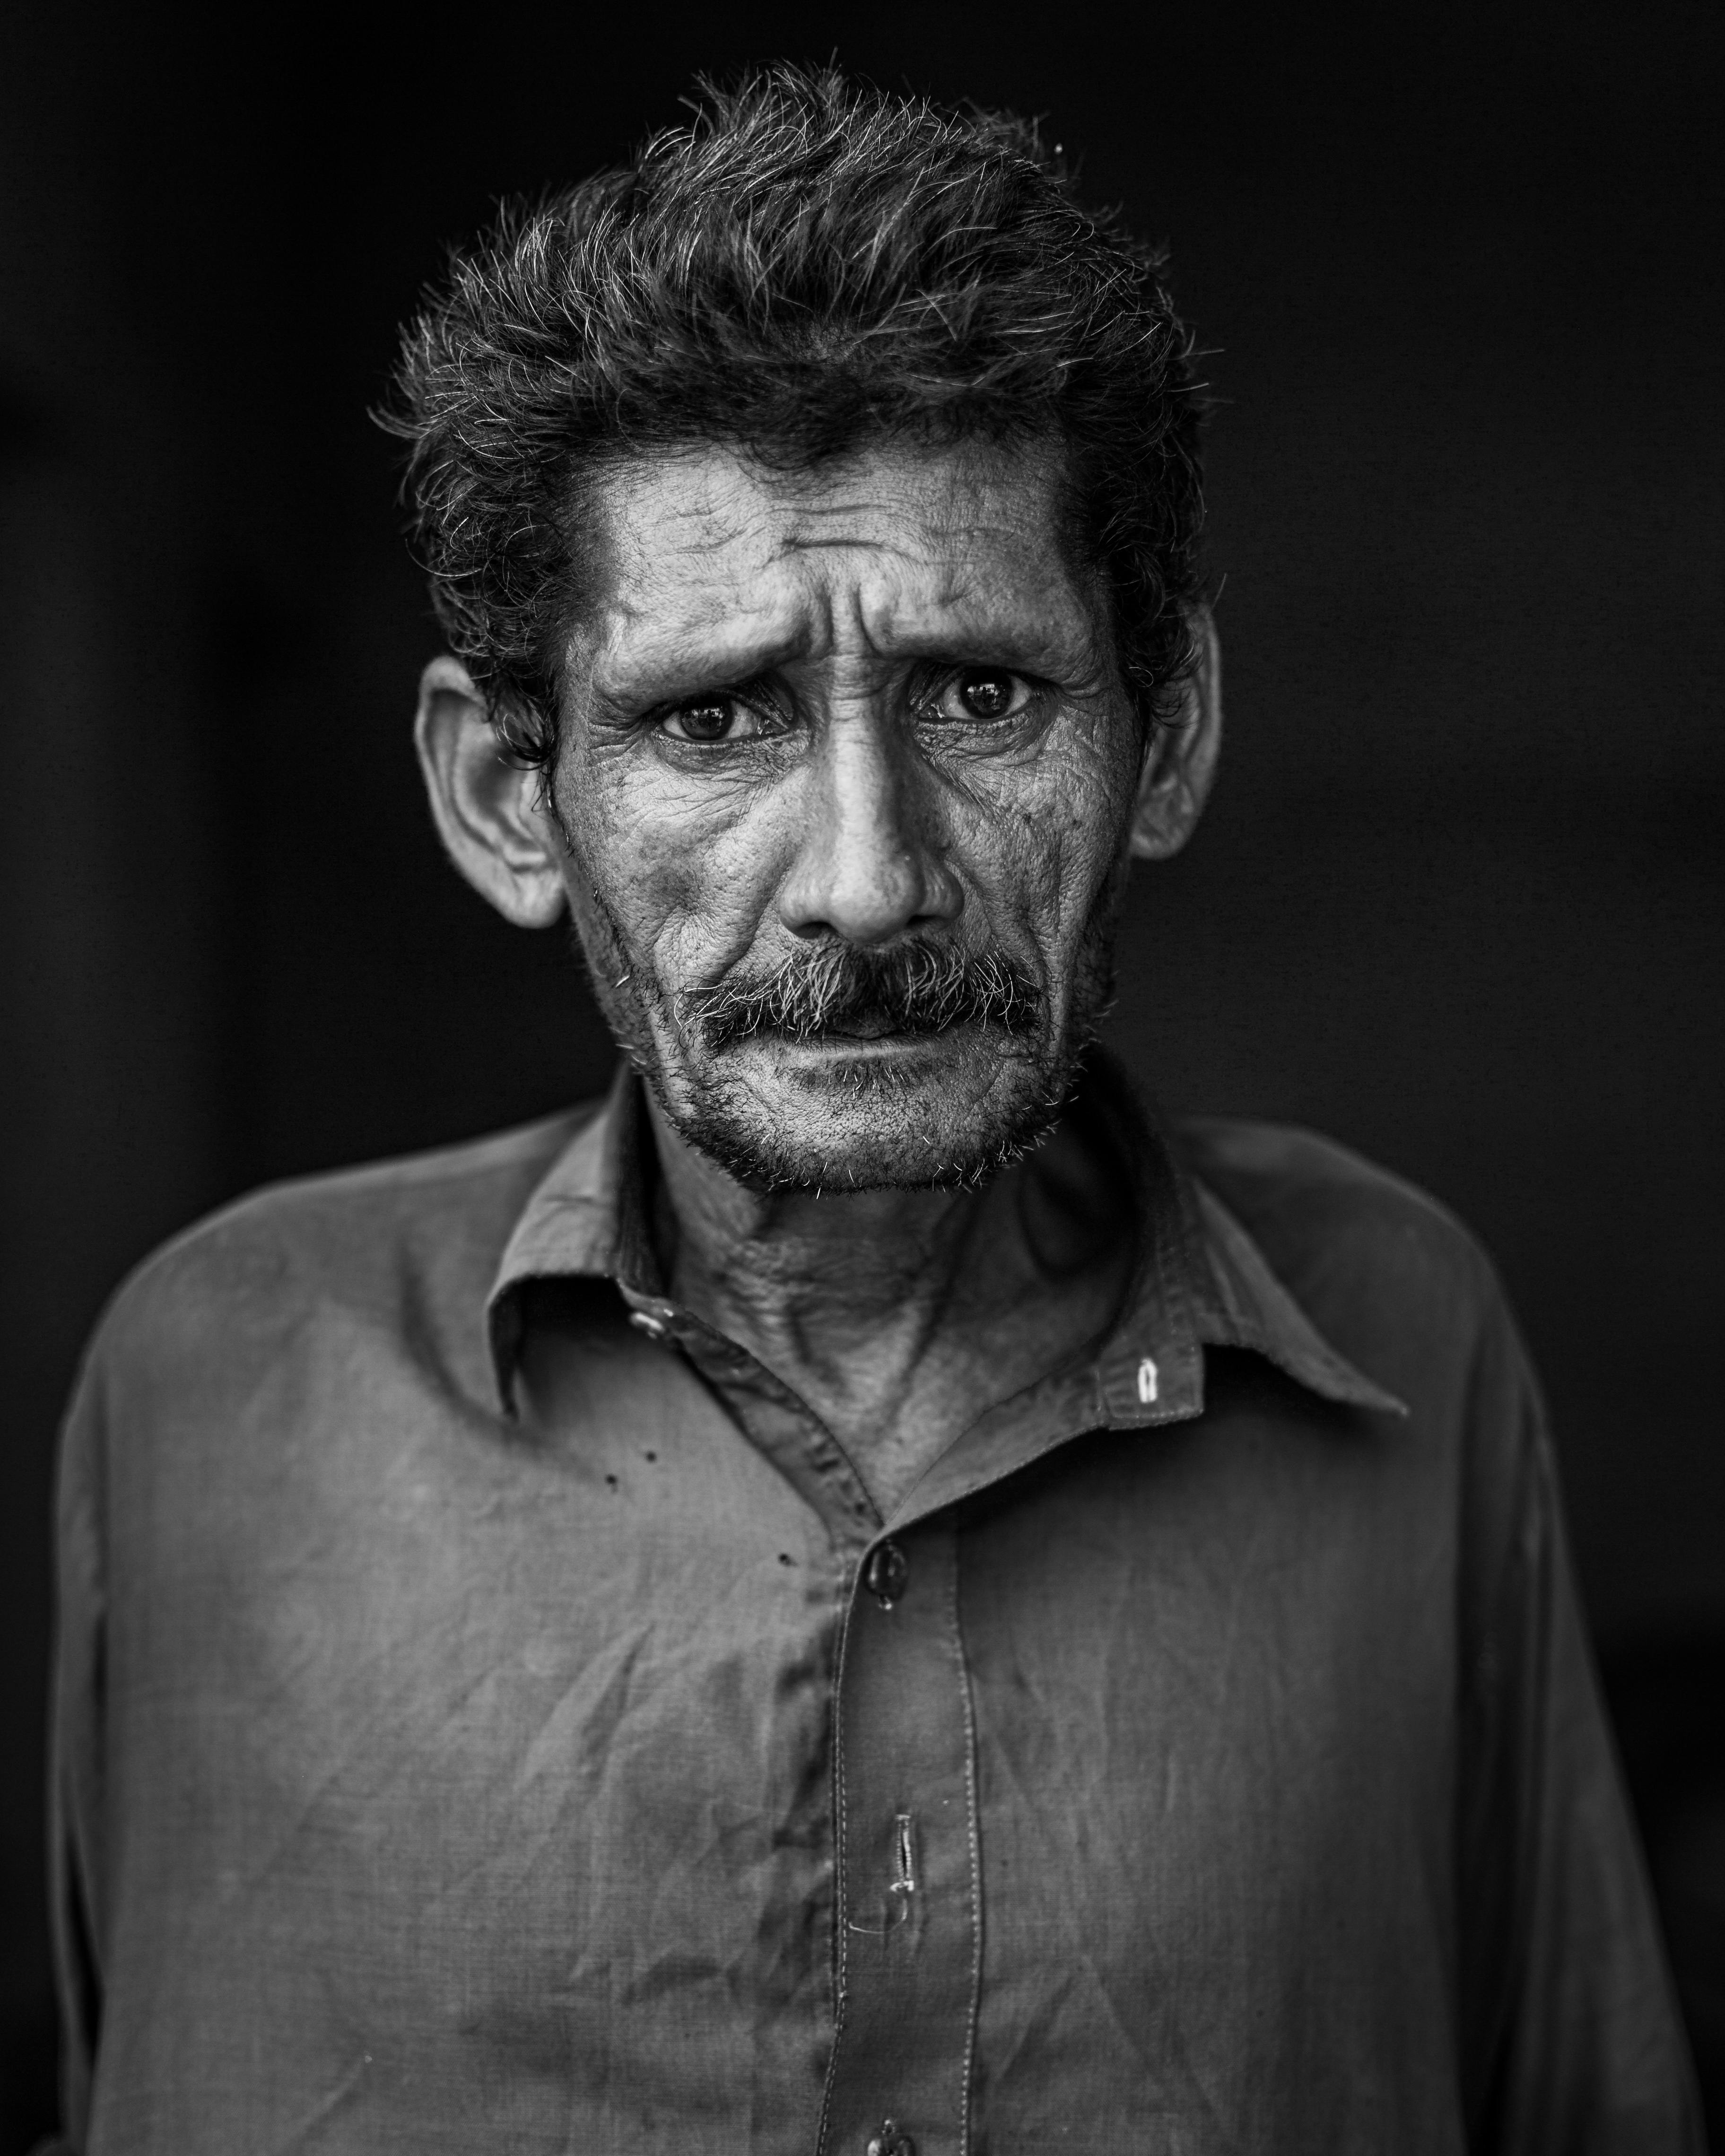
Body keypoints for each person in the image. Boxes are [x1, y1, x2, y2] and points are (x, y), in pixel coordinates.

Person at [44, 65, 1702, 2156]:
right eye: (713, 717)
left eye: (982, 695)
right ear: (504, 800)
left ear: (1163, 732)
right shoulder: (214, 1387)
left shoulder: (1409, 1336)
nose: (866, 872)